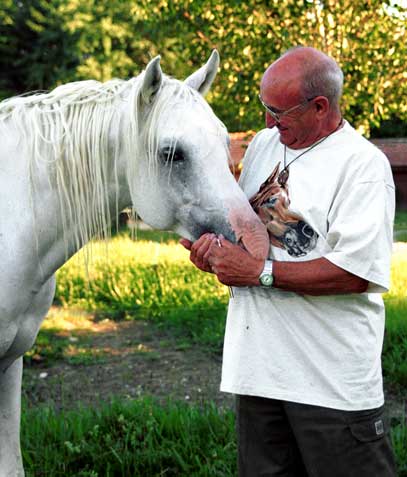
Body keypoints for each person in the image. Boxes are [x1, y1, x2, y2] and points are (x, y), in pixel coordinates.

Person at [180, 46, 397, 477]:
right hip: (258, 374)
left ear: (320, 107)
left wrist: (259, 273)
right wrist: (218, 256)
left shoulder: (362, 166)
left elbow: (356, 274)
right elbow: (246, 236)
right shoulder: (265, 145)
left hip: (330, 386)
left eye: (278, 111)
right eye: (264, 107)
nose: (266, 122)